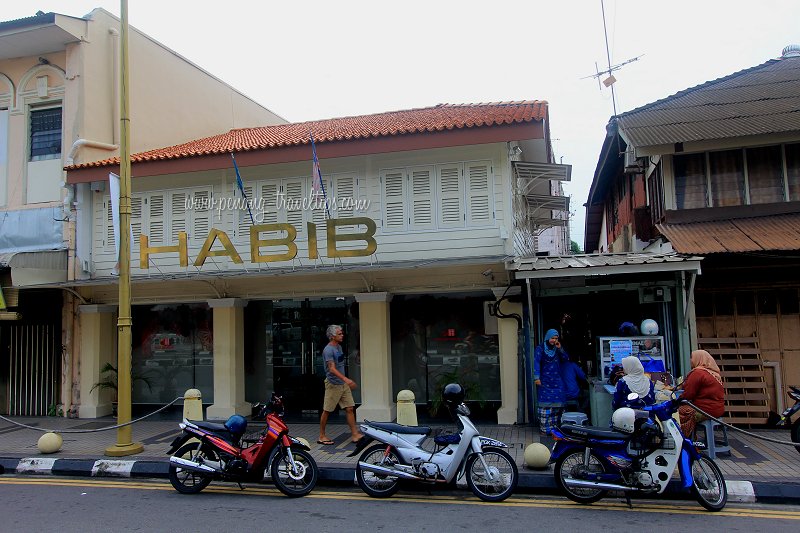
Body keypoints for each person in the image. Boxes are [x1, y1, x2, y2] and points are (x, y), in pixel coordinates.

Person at [318, 325, 363, 446]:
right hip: (333, 384)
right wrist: (346, 379)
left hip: (342, 384)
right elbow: (331, 369)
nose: (342, 335)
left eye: (342, 333)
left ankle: (355, 434)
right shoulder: (328, 350)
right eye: (339, 334)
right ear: (332, 336)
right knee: (327, 410)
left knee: (349, 408)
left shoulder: (339, 347)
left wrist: (344, 381)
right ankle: (322, 435)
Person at [678, 349, 725, 438]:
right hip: (718, 409)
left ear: (698, 359)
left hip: (706, 410)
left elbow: (688, 394)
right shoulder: (713, 373)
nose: (690, 360)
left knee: (676, 414)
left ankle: (685, 439)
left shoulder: (698, 373)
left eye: (692, 358)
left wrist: (677, 400)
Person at [533, 328, 570, 435]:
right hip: (545, 381)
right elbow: (536, 362)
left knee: (558, 407)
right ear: (548, 338)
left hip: (557, 381)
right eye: (552, 338)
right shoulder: (540, 349)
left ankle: (556, 430)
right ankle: (545, 430)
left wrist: (560, 349)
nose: (554, 340)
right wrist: (536, 377)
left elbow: (566, 359)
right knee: (546, 407)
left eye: (556, 338)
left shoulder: (557, 349)